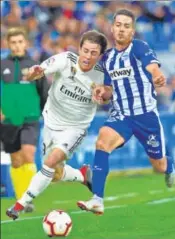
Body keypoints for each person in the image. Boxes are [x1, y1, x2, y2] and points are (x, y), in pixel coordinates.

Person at [77, 9, 175, 215]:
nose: (122, 29)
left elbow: (152, 67)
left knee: (158, 166)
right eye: (118, 25)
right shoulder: (107, 60)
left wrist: (157, 75)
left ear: (132, 31)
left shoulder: (139, 47)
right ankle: (97, 199)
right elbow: (109, 90)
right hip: (121, 114)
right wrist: (100, 91)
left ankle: (169, 166)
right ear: (112, 29)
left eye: (126, 26)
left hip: (146, 116)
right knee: (102, 142)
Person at [6, 30, 108, 220]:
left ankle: (20, 205)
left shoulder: (102, 75)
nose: (88, 56)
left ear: (100, 55)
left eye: (94, 53)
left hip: (75, 128)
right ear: (79, 48)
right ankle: (82, 175)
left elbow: (109, 95)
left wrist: (103, 96)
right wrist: (33, 74)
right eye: (85, 50)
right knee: (54, 173)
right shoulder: (65, 60)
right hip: (51, 122)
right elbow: (34, 74)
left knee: (50, 162)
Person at [1, 27, 49, 212]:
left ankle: (27, 198)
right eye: (13, 42)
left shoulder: (35, 66)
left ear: (26, 43)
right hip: (8, 120)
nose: (17, 45)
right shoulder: (1, 65)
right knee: (16, 161)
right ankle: (22, 198)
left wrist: (47, 112)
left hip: (30, 117)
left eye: (20, 41)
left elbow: (44, 92)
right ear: (8, 44)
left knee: (28, 154)